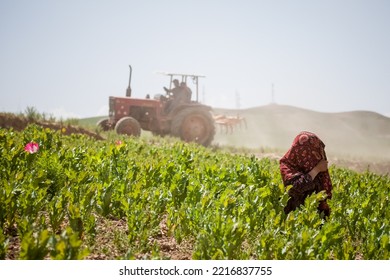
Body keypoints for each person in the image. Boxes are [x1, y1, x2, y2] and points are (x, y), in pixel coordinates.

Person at [279, 131, 332, 218]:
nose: (317, 156)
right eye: (312, 153)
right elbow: (296, 187)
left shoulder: (318, 165)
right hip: (293, 218)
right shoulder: (288, 165)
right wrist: (316, 170)